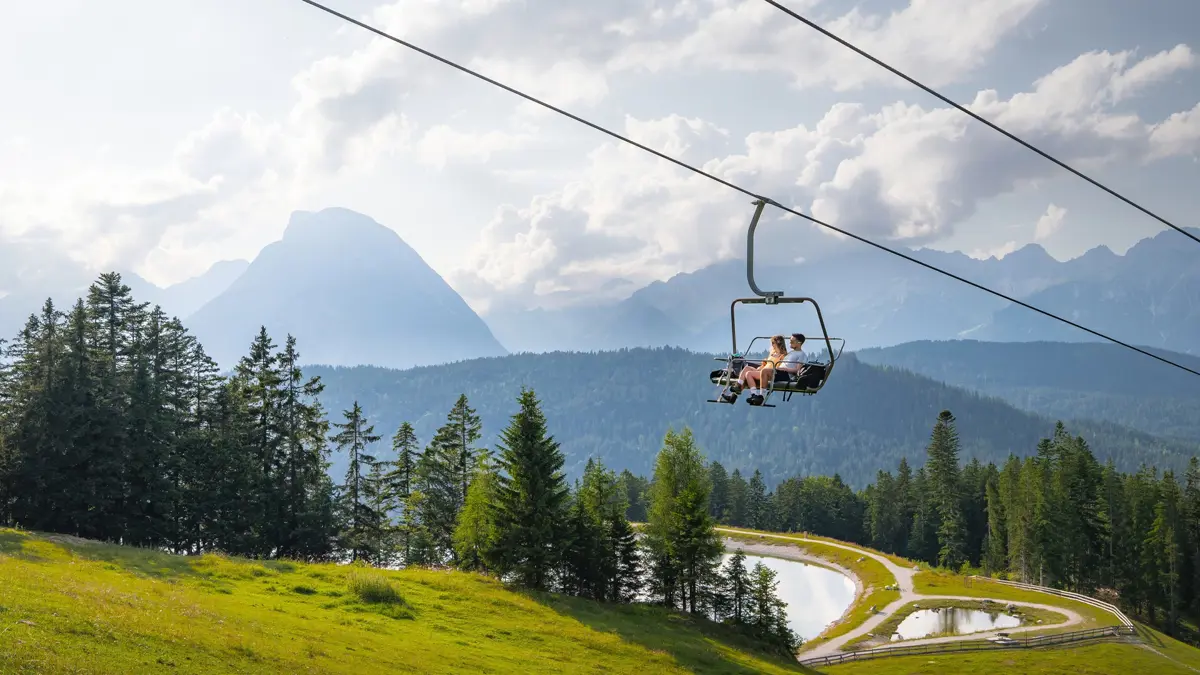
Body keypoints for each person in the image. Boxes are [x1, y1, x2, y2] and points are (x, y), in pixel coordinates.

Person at [722, 335, 787, 403]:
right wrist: (761, 366)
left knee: (748, 374)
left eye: (773, 343)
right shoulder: (772, 353)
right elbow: (766, 363)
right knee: (747, 368)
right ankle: (738, 385)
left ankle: (753, 394)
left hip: (767, 373)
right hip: (763, 370)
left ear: (778, 343)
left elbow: (779, 367)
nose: (772, 345)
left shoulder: (783, 356)